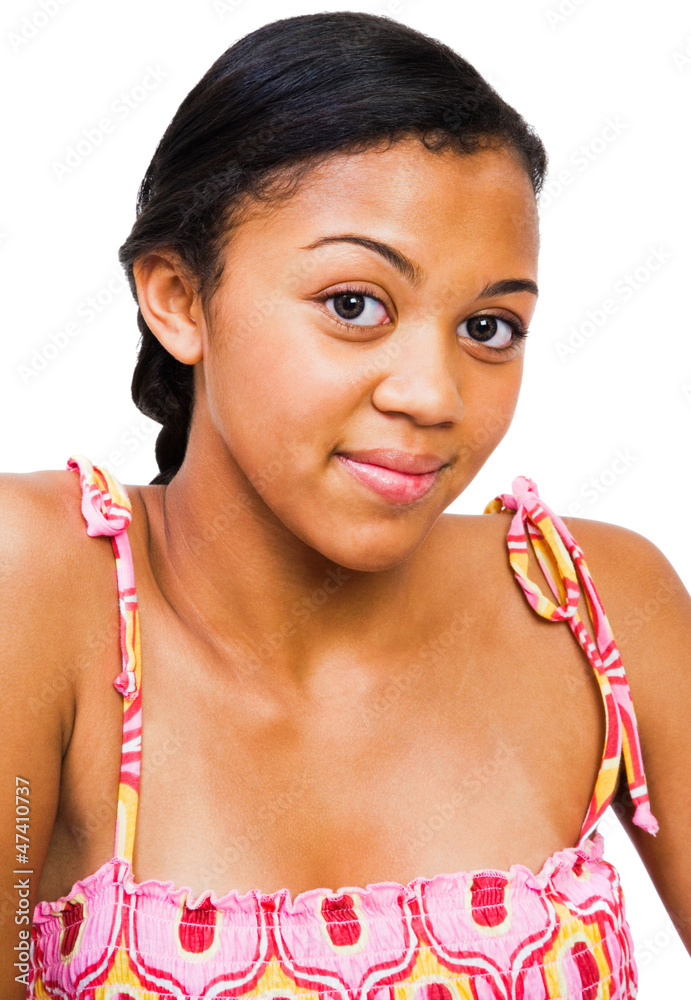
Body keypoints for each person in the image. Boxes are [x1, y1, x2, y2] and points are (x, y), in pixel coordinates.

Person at [2, 10, 689, 998]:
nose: (433, 394)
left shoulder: (590, 603)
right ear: (179, 298)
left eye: (488, 326)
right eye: (354, 304)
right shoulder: (37, 585)